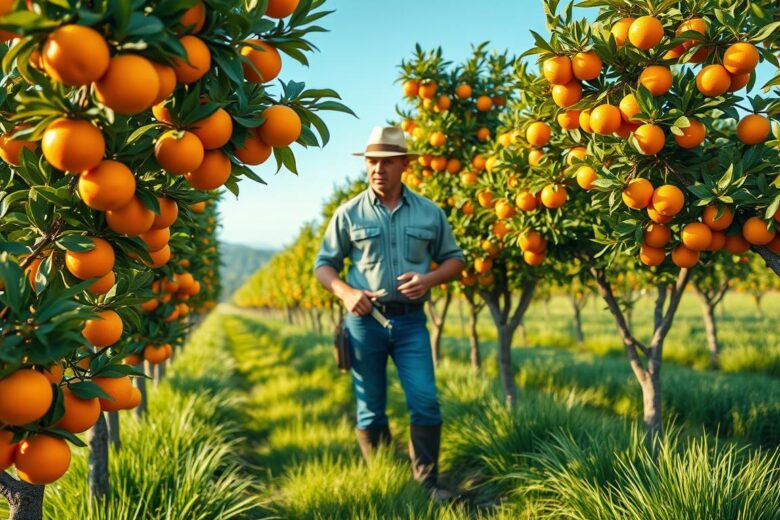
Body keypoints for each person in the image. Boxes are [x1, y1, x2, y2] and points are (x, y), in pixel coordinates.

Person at [314, 126, 465, 498]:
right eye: (372, 162)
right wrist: (346, 292)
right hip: (364, 322)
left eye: (386, 162)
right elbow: (324, 265)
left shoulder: (430, 213)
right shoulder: (348, 214)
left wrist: (429, 279)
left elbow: (455, 260)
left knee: (425, 400)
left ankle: (427, 482)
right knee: (370, 407)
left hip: (411, 321)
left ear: (403, 165)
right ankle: (384, 479)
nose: (378, 169)